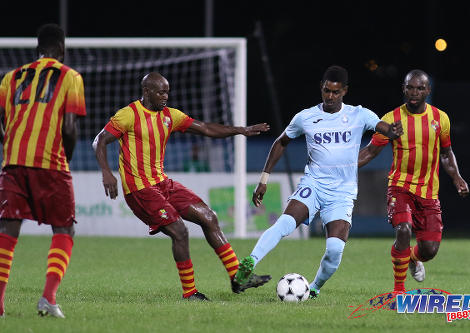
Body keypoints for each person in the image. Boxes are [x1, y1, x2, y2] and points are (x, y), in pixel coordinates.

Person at [92, 72, 271, 301]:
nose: (166, 96)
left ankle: (238, 277)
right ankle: (190, 292)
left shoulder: (170, 116)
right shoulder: (128, 115)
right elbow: (100, 141)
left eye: (167, 91)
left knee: (209, 216)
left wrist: (241, 130)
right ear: (147, 92)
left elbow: (205, 128)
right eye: (161, 92)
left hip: (162, 183)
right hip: (140, 190)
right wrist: (106, 172)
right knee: (179, 231)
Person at [232, 65, 403, 297]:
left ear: (344, 91)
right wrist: (264, 179)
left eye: (335, 92)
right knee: (284, 223)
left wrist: (392, 130)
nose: (330, 96)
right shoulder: (306, 117)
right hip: (313, 185)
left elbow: (383, 128)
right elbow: (281, 142)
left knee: (334, 250)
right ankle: (248, 264)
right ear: (321, 89)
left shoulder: (359, 114)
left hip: (342, 193)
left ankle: (314, 288)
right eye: (326, 91)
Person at [0, 24, 86, 318]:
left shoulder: (10, 77)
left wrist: (9, 141)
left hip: (13, 162)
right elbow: (70, 129)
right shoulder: (70, 76)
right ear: (61, 49)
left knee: (8, 228)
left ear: (37, 49)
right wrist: (67, 160)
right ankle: (48, 299)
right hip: (50, 163)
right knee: (64, 228)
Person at [358, 69, 469, 293]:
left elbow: (446, 153)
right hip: (400, 187)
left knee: (429, 250)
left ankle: (410, 258)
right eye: (410, 87)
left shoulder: (440, 119)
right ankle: (399, 292)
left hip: (429, 193)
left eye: (420, 88)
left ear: (428, 90)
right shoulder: (391, 120)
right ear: (404, 89)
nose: (414, 92)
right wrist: (341, 167)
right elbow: (370, 151)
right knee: (404, 230)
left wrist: (456, 177)